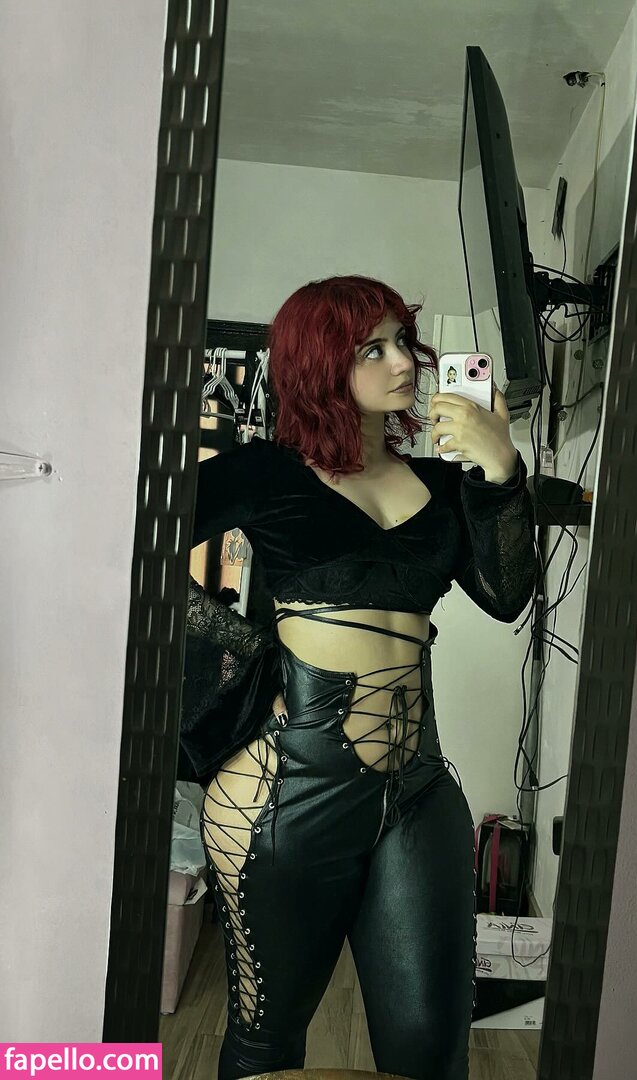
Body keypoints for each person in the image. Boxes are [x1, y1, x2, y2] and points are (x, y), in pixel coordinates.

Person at [181, 275, 536, 1080]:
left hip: (418, 788)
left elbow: (507, 594)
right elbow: (128, 543)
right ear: (319, 365)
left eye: (403, 340)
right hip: (283, 791)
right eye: (371, 349)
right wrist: (245, 658)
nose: (403, 361)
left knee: (431, 1054)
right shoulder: (263, 473)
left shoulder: (442, 483)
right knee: (267, 1044)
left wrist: (500, 469)